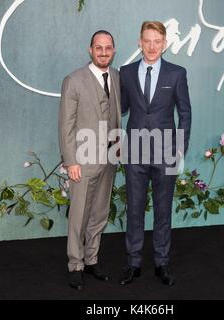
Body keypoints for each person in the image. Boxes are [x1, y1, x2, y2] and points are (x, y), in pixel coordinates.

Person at [119, 21, 192, 286]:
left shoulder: (176, 73)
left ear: (164, 44)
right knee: (135, 210)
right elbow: (123, 107)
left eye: (157, 41)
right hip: (135, 152)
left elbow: (185, 113)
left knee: (163, 211)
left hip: (165, 153)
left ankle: (162, 263)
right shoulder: (125, 73)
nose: (151, 46)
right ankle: (133, 264)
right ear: (140, 42)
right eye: (147, 41)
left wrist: (179, 149)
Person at [58, 30, 121, 290]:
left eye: (108, 48)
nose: (103, 52)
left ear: (113, 50)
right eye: (98, 47)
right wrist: (71, 161)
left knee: (99, 214)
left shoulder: (117, 77)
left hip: (109, 159)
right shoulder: (73, 80)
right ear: (90, 50)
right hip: (82, 162)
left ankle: (92, 260)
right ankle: (75, 264)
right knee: (79, 215)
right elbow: (65, 125)